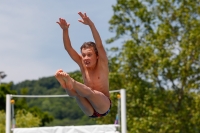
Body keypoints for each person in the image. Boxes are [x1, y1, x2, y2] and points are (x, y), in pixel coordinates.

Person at [55, 12, 111, 118]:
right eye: (84, 55)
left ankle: (70, 82)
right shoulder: (82, 63)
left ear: (97, 56)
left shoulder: (102, 62)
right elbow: (68, 48)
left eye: (89, 55)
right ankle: (66, 84)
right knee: (74, 93)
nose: (85, 58)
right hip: (89, 109)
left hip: (103, 106)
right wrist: (65, 30)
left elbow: (98, 44)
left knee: (90, 92)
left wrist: (91, 24)